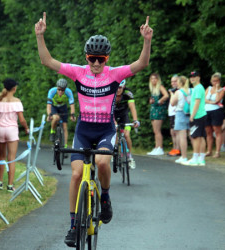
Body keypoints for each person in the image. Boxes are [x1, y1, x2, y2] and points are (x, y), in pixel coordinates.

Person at [35, 12, 153, 247]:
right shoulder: (78, 72)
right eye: (92, 58)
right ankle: (72, 226)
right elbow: (47, 61)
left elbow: (142, 64)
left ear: (107, 58)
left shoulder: (114, 74)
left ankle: (106, 198)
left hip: (105, 130)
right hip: (83, 130)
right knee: (77, 174)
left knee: (101, 162)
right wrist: (40, 36)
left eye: (101, 59)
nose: (97, 63)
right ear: (86, 57)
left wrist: (147, 41)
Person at [0, 78, 30, 192]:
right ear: (14, 88)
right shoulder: (17, 101)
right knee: (11, 158)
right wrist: (26, 128)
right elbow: (22, 119)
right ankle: (10, 185)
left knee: (1, 156)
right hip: (11, 130)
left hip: (0, 130)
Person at [182, 71, 207, 166]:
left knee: (195, 137)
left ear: (199, 77)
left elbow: (197, 102)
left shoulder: (198, 88)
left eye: (194, 76)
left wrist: (192, 115)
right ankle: (201, 159)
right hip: (201, 114)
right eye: (191, 77)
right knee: (200, 136)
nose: (192, 78)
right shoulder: (199, 88)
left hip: (197, 115)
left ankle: (195, 158)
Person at [114, 79, 140, 169]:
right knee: (114, 134)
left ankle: (129, 157)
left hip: (124, 116)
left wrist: (135, 120)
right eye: (116, 87)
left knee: (126, 135)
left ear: (124, 87)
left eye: (120, 88)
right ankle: (115, 152)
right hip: (113, 116)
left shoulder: (128, 93)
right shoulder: (111, 93)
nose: (118, 90)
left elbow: (132, 108)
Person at [47, 78, 76, 146]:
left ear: (65, 89)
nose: (60, 91)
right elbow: (48, 105)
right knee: (56, 118)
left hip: (63, 107)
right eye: (59, 89)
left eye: (63, 90)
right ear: (56, 88)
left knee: (65, 127)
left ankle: (65, 146)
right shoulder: (52, 91)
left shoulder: (68, 92)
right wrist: (49, 115)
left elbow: (72, 105)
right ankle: (52, 131)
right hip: (54, 107)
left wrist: (72, 115)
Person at [170, 75, 191, 164]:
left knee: (182, 137)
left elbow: (172, 103)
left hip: (180, 113)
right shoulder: (191, 90)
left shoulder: (178, 92)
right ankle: (196, 155)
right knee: (193, 136)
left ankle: (184, 156)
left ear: (180, 83)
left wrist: (172, 94)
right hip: (190, 113)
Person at [147, 73, 169, 155]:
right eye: (152, 79)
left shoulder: (160, 86)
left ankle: (160, 147)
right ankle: (156, 147)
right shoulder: (153, 89)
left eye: (155, 79)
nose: (153, 80)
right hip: (154, 109)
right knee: (155, 131)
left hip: (159, 110)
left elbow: (166, 95)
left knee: (157, 130)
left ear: (158, 79)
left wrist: (159, 101)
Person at [204, 72, 225, 158]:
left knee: (217, 131)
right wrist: (211, 102)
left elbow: (217, 100)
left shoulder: (222, 90)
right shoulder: (208, 88)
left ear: (219, 81)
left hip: (216, 111)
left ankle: (217, 151)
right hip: (207, 111)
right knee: (208, 132)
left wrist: (216, 89)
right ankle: (209, 150)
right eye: (213, 81)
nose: (214, 83)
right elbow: (204, 99)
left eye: (216, 81)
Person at [167, 75, 181, 156]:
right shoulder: (173, 91)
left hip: (176, 113)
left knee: (176, 132)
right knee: (172, 132)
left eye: (175, 81)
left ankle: (178, 149)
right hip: (171, 113)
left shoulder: (178, 91)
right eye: (172, 81)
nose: (173, 83)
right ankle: (174, 148)